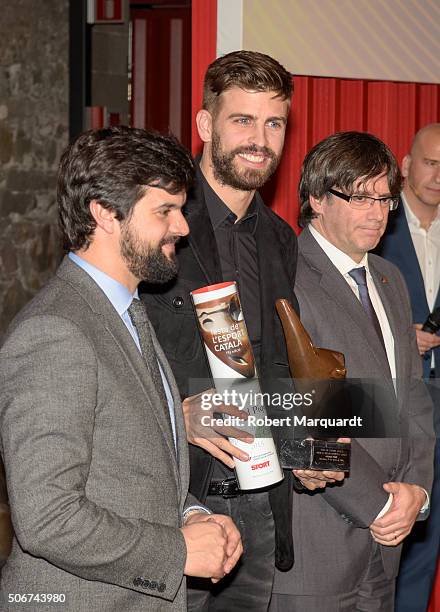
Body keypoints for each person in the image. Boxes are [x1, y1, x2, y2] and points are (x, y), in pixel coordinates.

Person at [0, 126, 242, 612]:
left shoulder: (128, 313)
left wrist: (194, 516)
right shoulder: (55, 332)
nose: (183, 227)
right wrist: (178, 551)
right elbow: (47, 517)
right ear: (105, 214)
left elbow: (135, 471)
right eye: (164, 211)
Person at [141, 50, 302, 611]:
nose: (259, 139)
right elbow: (108, 350)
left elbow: (281, 365)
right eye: (242, 120)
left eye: (273, 122)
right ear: (206, 125)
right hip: (175, 501)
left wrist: (315, 440)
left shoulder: (283, 240)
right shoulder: (154, 223)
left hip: (261, 501)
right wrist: (175, 412)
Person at [270, 131, 435, 611]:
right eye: (360, 197)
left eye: (385, 198)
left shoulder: (389, 277)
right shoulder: (289, 276)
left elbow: (414, 398)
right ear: (317, 200)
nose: (377, 213)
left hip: (387, 546)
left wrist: (417, 492)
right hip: (319, 542)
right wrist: (381, 505)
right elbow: (306, 412)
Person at [376, 123, 440, 612]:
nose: (438, 175)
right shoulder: (376, 223)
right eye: (430, 162)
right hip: (394, 407)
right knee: (395, 540)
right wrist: (402, 336)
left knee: (429, 542)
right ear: (406, 165)